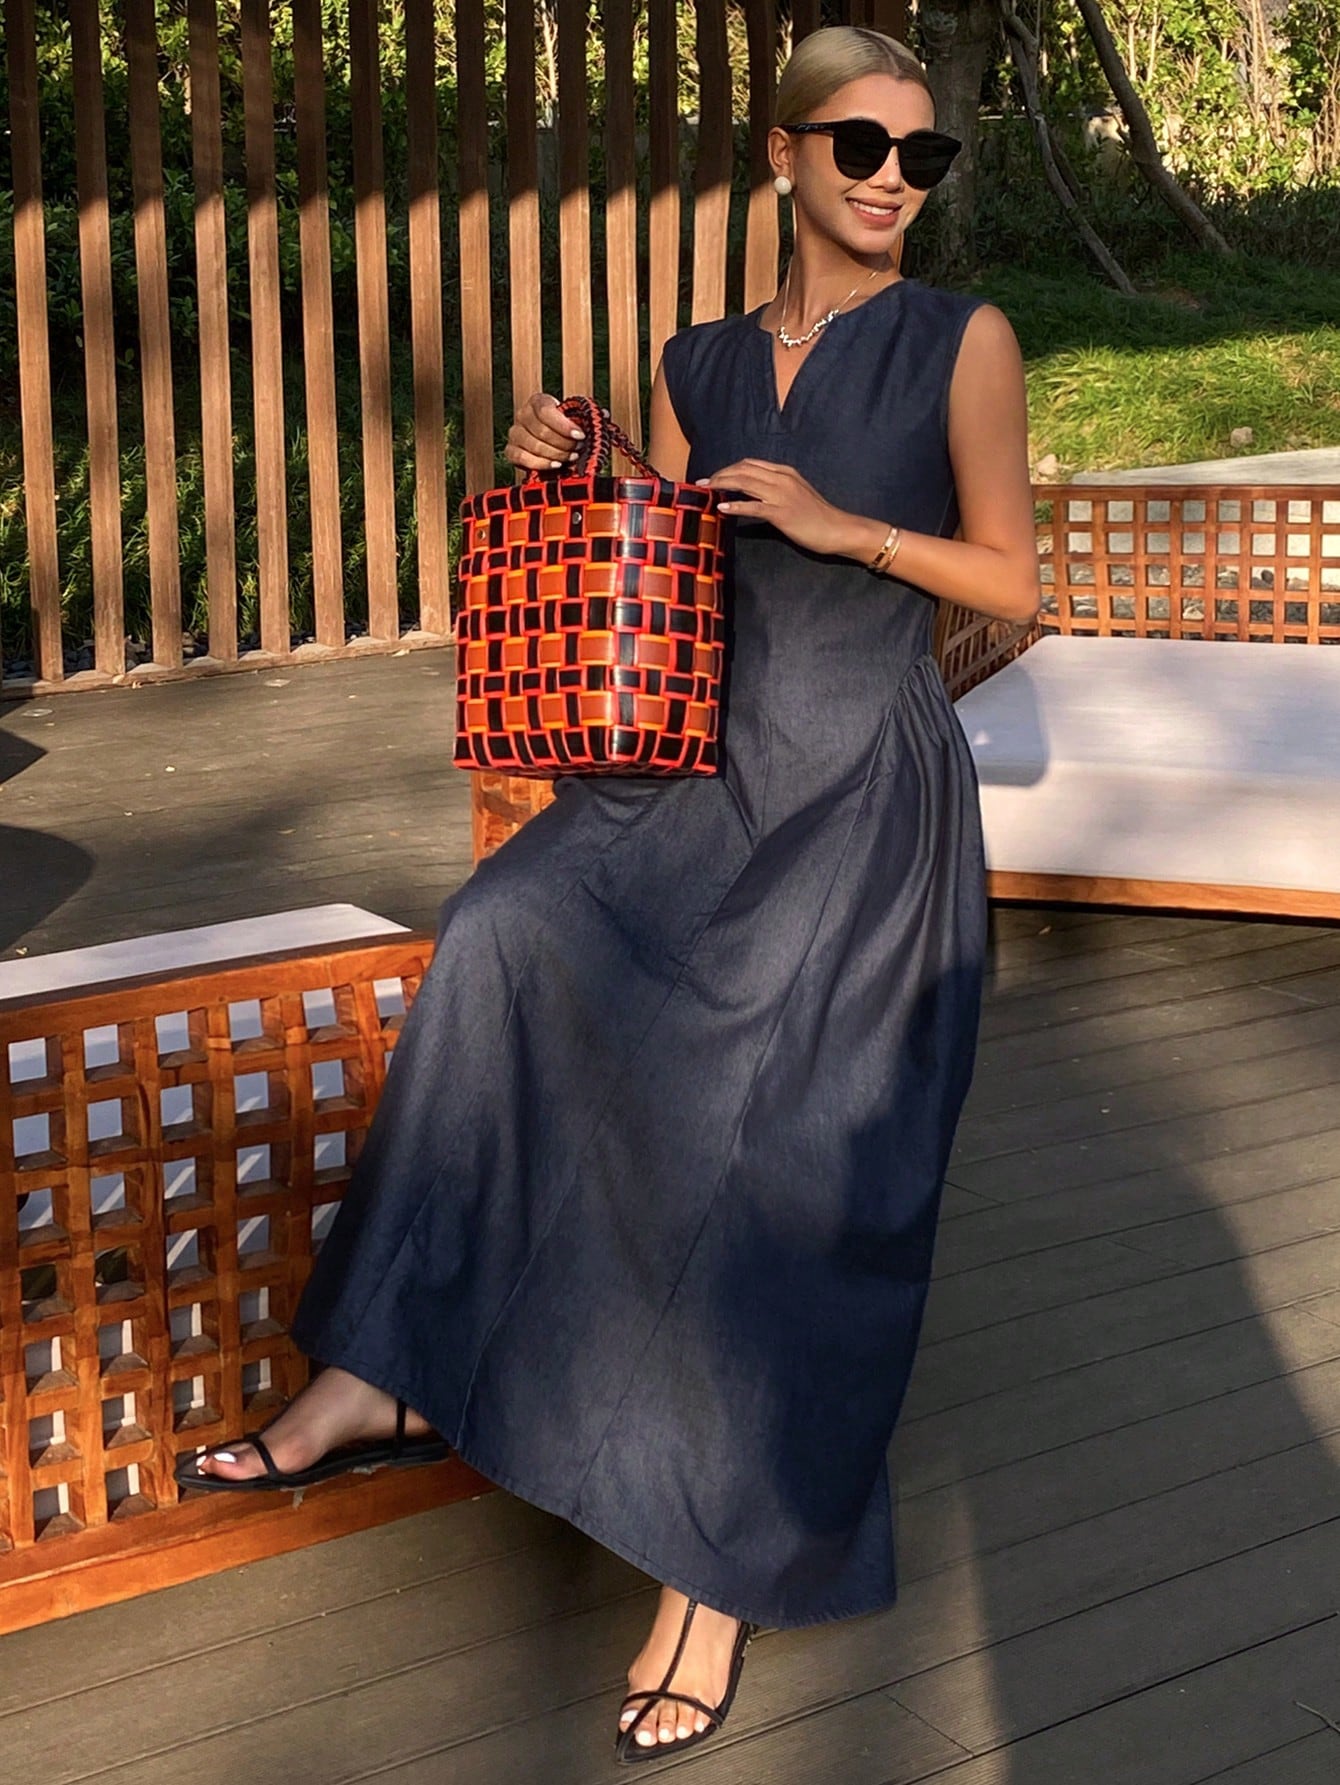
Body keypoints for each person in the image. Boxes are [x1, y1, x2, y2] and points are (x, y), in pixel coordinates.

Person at [176, 25, 1039, 1763]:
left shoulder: (966, 341)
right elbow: (677, 558)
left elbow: (1018, 585)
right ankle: (384, 1366)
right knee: (504, 933)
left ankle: (711, 1574)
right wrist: (581, 468)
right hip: (701, 763)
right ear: (780, 156)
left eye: (922, 155)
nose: (893, 179)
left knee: (777, 1147)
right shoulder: (699, 357)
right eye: (860, 146)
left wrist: (847, 527)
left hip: (862, 793)